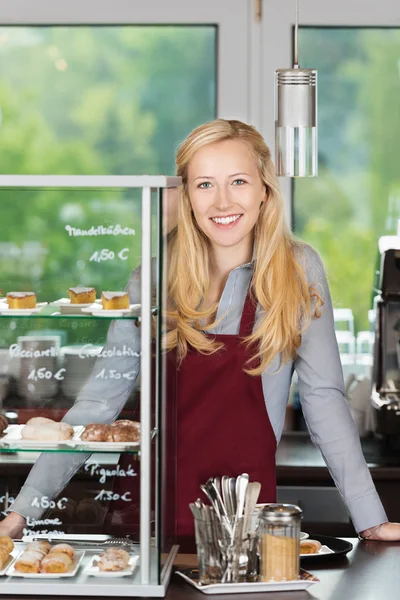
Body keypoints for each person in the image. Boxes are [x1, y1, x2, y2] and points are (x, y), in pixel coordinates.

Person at [1, 119, 400, 545]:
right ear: (188, 195)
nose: (222, 201)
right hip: (147, 526)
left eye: (239, 181)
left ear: (265, 189)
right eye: (205, 184)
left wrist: (370, 520)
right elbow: (99, 402)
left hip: (241, 525)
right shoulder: (152, 277)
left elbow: (324, 399)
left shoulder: (298, 270)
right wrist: (22, 512)